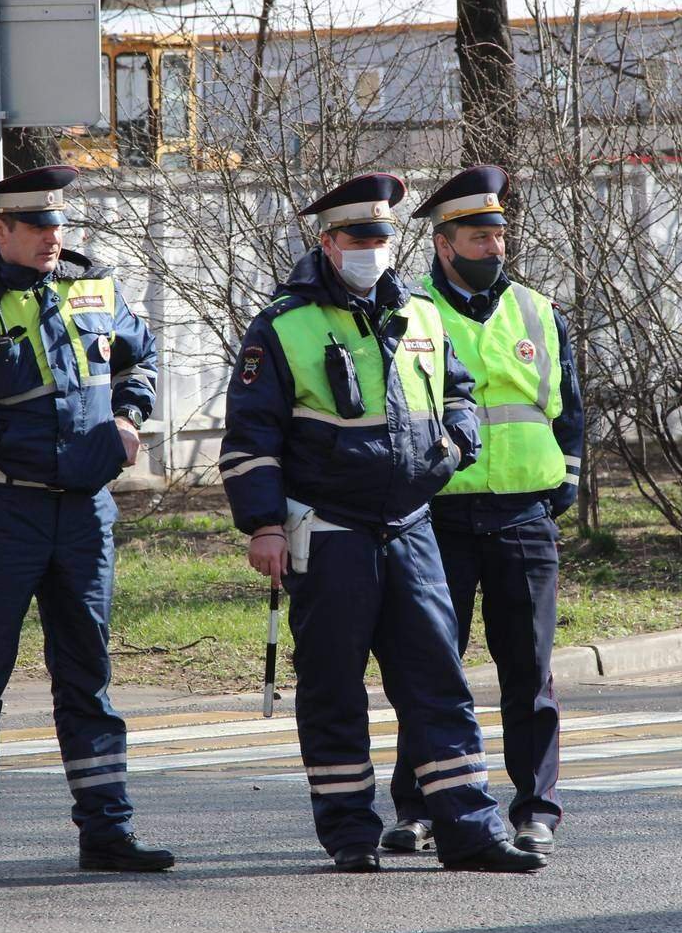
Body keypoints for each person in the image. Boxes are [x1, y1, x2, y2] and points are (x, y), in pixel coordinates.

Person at [219, 172, 547, 874]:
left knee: (439, 681)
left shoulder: (420, 313)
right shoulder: (282, 324)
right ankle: (348, 832)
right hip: (329, 530)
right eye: (359, 236)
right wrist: (263, 526)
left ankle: (469, 829)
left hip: (410, 524)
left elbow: (458, 393)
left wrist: (458, 443)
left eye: (382, 235)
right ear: (328, 242)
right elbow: (251, 438)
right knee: (334, 685)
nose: (373, 247)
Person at [0, 165, 174, 880]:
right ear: (1, 231)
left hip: (87, 514)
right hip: (6, 514)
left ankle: (107, 833)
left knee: (87, 675)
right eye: (37, 226)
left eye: (59, 224)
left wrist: (128, 416)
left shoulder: (96, 287)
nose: (53, 237)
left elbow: (140, 359)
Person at [383, 165, 585, 857]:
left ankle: (536, 809)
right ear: (444, 245)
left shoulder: (537, 311)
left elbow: (570, 411)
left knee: (528, 672)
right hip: (439, 521)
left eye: (499, 234)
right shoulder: (412, 315)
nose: (495, 247)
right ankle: (419, 808)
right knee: (432, 668)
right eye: (478, 235)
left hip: (525, 517)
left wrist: (565, 483)